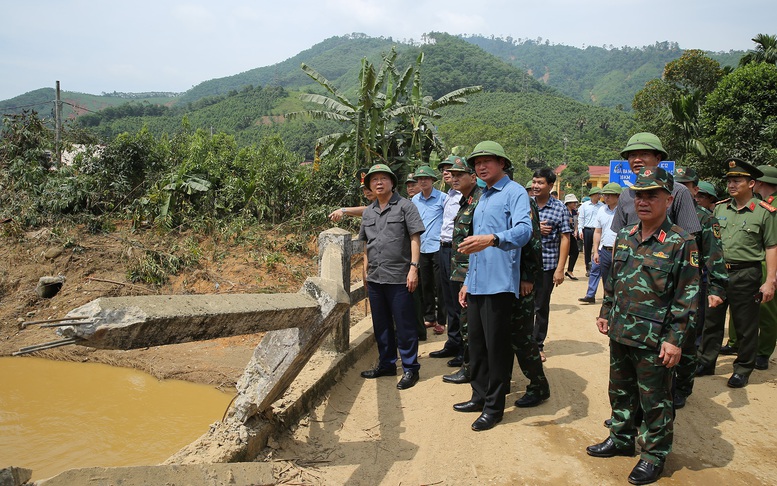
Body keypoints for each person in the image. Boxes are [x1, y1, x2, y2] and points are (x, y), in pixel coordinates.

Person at [586, 167, 699, 486]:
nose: (644, 201)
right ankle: (621, 438)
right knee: (620, 391)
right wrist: (606, 310)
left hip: (655, 338)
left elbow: (687, 297)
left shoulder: (681, 242)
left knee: (655, 400)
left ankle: (654, 455)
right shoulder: (624, 236)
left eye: (652, 195)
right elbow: (614, 280)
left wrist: (675, 339)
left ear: (669, 199)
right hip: (622, 331)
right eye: (639, 195)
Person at [455, 141, 532, 431]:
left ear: (502, 163)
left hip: (499, 284)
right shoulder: (482, 195)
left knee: (496, 348)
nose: (481, 166)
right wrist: (467, 281)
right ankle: (479, 395)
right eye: (477, 163)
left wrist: (493, 239)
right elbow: (474, 246)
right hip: (477, 282)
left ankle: (494, 407)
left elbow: (524, 230)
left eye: (487, 161)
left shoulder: (515, 192)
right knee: (476, 345)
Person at [696, 159, 777, 388]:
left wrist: (770, 281)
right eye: (729, 181)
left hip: (746, 274)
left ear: (751, 183)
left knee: (745, 325)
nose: (731, 185)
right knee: (712, 321)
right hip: (719, 273)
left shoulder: (764, 212)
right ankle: (706, 361)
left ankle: (742, 368)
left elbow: (772, 247)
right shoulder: (720, 208)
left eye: (737, 181)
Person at [358, 164, 426, 390]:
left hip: (399, 276)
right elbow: (366, 244)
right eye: (374, 179)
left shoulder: (406, 206)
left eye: (383, 178)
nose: (378, 182)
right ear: (369, 185)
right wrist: (365, 270)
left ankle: (410, 368)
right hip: (375, 277)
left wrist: (413, 268)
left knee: (405, 325)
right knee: (381, 324)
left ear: (392, 182)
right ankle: (386, 364)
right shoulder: (368, 212)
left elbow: (415, 238)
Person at [672, 167, 727, 408]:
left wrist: (717, 288)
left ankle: (682, 388)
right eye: (676, 184)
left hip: (691, 285)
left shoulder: (705, 219)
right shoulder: (664, 212)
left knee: (687, 339)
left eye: (685, 185)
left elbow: (714, 256)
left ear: (695, 189)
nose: (680, 189)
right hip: (661, 284)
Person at [611, 133, 701, 236]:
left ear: (658, 159)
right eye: (632, 155)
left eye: (644, 154)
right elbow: (619, 237)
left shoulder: (678, 192)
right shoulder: (626, 195)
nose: (637, 160)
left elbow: (688, 237)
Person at [441, 157, 482, 384]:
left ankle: (471, 369)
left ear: (473, 177)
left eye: (460, 175)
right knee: (463, 318)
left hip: (472, 272)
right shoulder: (464, 200)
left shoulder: (480, 201)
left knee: (470, 323)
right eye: (453, 175)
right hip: (460, 269)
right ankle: (468, 364)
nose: (454, 178)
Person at [531, 167, 572, 360]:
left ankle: (537, 345)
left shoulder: (559, 208)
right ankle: (522, 344)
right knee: (521, 306)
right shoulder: (524, 204)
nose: (536, 186)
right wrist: (534, 228)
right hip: (523, 265)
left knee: (541, 306)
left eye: (540, 183)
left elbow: (565, 238)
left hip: (546, 266)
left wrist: (560, 269)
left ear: (550, 185)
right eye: (534, 181)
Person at [430, 155, 465, 363]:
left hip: (457, 249)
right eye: (444, 169)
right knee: (449, 298)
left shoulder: (467, 195)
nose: (446, 172)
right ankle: (453, 341)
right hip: (443, 248)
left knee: (459, 299)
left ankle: (464, 347)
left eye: (451, 170)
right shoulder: (449, 195)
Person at [411, 165, 447, 335]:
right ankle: (429, 316)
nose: (422, 181)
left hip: (438, 246)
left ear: (432, 180)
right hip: (422, 247)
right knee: (425, 284)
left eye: (426, 178)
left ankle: (442, 320)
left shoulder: (443, 198)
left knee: (440, 284)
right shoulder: (414, 200)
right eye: (419, 179)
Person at [578, 182, 622, 304]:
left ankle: (614, 301)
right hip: (604, 250)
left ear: (618, 196)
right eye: (604, 195)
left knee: (616, 277)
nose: (606, 197)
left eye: (609, 195)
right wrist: (596, 251)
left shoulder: (623, 211)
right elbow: (598, 231)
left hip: (619, 251)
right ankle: (595, 296)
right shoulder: (602, 210)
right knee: (599, 272)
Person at [578, 187, 604, 277]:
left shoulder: (602, 206)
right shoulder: (584, 206)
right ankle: (588, 269)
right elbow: (581, 218)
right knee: (587, 249)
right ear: (593, 195)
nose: (600, 196)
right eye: (598, 194)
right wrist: (580, 230)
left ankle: (597, 268)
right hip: (587, 230)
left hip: (598, 230)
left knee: (598, 249)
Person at [564, 193, 580, 280]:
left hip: (572, 234)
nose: (575, 204)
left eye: (575, 202)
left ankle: (570, 270)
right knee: (562, 253)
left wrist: (576, 231)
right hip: (564, 235)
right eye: (573, 202)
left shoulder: (574, 212)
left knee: (575, 252)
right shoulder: (563, 211)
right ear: (568, 203)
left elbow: (576, 222)